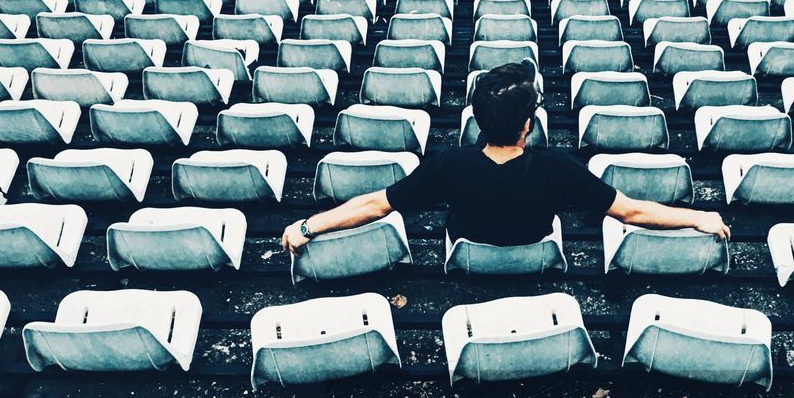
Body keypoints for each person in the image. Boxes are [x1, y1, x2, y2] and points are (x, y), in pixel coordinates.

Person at [281, 62, 730, 253]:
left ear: (474, 120)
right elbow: (631, 211)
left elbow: (374, 204)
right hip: (533, 250)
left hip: (469, 254)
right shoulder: (557, 168)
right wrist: (696, 217)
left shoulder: (448, 164)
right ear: (528, 125)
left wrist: (307, 226)